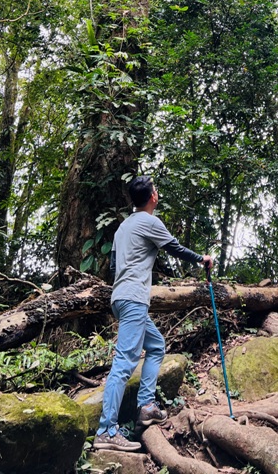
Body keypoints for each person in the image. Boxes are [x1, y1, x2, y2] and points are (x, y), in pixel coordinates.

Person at [93, 175, 213, 453]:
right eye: (156, 190)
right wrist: (202, 259)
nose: (157, 193)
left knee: (156, 345)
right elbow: (174, 247)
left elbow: (113, 267)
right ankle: (106, 430)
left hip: (120, 297)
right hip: (134, 298)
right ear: (152, 197)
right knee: (124, 363)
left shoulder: (122, 228)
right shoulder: (149, 221)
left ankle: (146, 406)